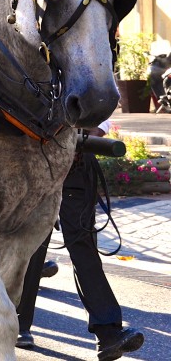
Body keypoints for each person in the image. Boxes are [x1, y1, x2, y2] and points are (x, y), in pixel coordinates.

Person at [17, 121, 145, 360]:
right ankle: (16, 323)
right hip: (35, 157)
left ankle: (108, 334)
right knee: (32, 244)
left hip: (75, 161)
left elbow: (104, 105)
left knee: (84, 247)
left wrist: (84, 140)